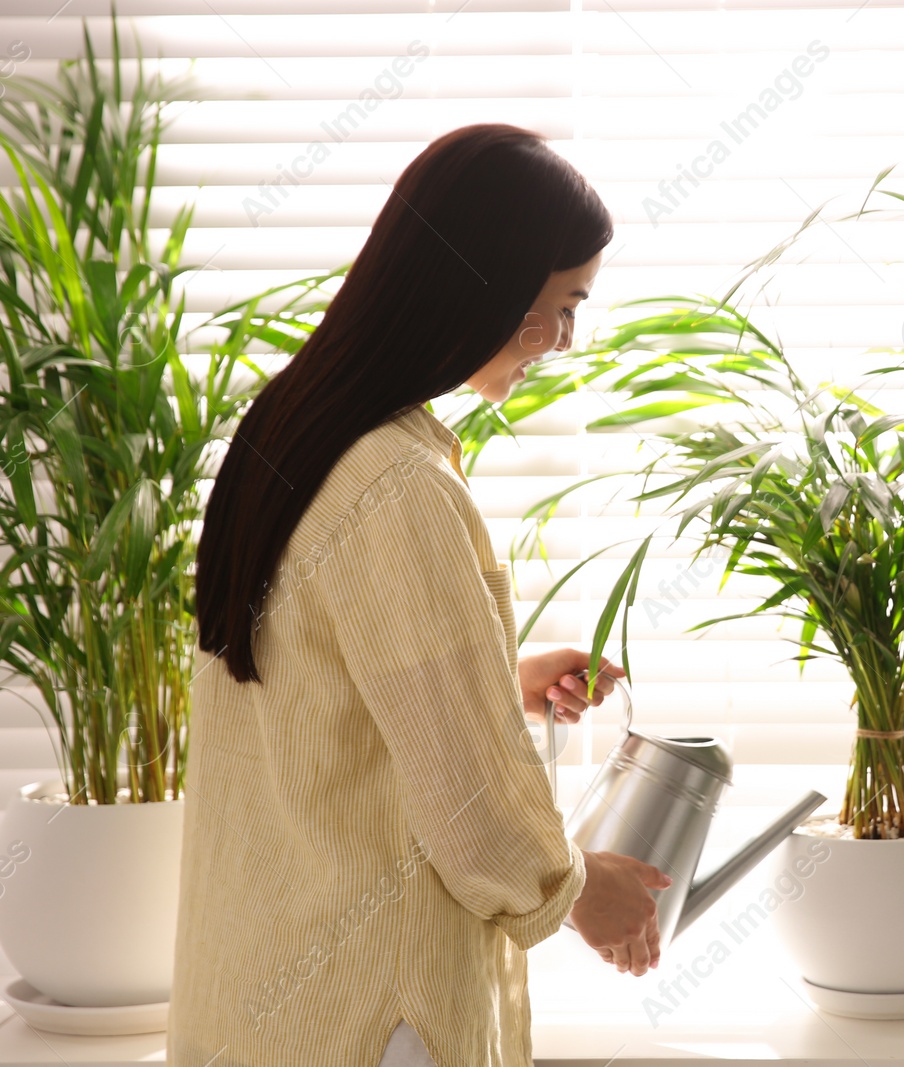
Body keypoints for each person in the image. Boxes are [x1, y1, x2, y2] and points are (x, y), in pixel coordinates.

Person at [170, 123, 669, 1067]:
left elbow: (296, 677)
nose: (564, 340)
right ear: (486, 279)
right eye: (564, 303)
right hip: (378, 1001)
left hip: (271, 989)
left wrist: (492, 672)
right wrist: (578, 892)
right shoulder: (398, 482)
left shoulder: (296, 425)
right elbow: (473, 809)